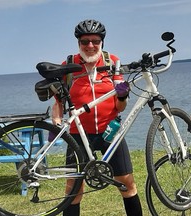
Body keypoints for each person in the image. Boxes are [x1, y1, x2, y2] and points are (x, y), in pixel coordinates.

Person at [51, 19, 143, 216]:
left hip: (111, 131)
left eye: (95, 41)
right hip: (78, 135)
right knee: (73, 189)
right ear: (78, 43)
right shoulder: (68, 65)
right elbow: (58, 102)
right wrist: (56, 123)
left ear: (102, 42)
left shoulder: (112, 62)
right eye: (85, 41)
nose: (90, 46)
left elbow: (120, 106)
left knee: (127, 183)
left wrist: (123, 95)